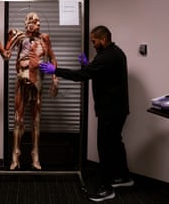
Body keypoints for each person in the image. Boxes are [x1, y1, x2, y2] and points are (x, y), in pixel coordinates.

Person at [39, 25, 133, 202]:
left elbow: (81, 75)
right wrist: (89, 65)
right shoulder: (116, 52)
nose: (93, 44)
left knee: (105, 148)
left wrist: (55, 71)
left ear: (103, 39)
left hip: (110, 111)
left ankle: (106, 188)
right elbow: (103, 73)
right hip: (118, 109)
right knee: (115, 143)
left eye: (94, 41)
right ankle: (124, 177)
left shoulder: (106, 57)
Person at [0, 12, 58, 170]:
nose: (37, 24)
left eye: (39, 21)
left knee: (36, 120)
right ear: (27, 22)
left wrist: (55, 75)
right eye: (34, 21)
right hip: (22, 78)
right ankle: (16, 155)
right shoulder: (17, 36)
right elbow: (6, 55)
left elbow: (53, 58)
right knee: (18, 119)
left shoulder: (44, 38)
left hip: (37, 80)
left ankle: (35, 156)